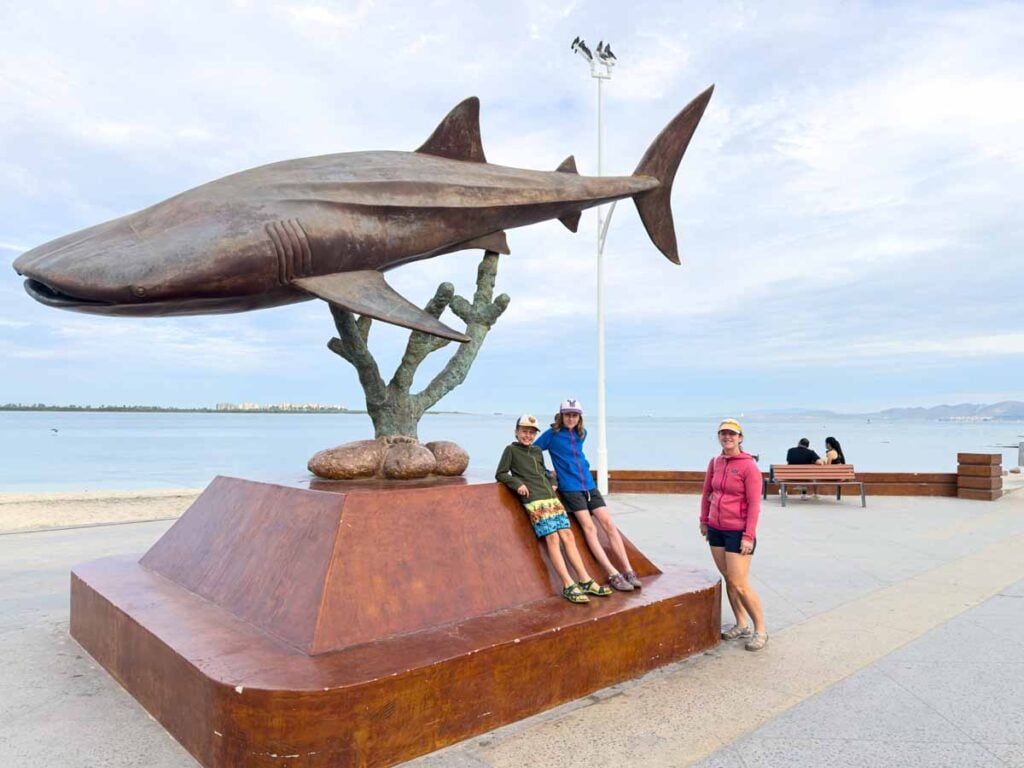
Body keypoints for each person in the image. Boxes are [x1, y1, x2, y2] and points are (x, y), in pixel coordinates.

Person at [496, 414, 612, 604]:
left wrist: (553, 481)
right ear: (516, 432)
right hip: (534, 501)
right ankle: (568, 584)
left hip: (551, 498)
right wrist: (517, 484)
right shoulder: (511, 450)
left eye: (531, 433)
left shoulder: (536, 451)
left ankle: (585, 580)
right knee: (553, 538)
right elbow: (501, 473)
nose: (527, 436)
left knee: (568, 535)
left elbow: (544, 471)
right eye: (524, 432)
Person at [534, 399, 640, 592]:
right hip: (570, 489)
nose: (571, 418)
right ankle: (612, 573)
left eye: (574, 415)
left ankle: (628, 570)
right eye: (567, 415)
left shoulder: (582, 433)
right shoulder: (552, 435)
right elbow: (533, 452)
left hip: (589, 486)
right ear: (561, 415)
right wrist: (547, 472)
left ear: (579, 417)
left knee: (609, 524)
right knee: (589, 528)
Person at [700, 418, 768, 651]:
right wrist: (704, 520)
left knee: (739, 583)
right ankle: (741, 623)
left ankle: (760, 630)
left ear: (740, 438)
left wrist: (748, 536)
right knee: (729, 578)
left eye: (732, 434)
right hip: (716, 529)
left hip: (738, 531)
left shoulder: (749, 466)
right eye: (723, 434)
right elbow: (707, 492)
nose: (727, 437)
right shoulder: (715, 462)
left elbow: (754, 505)